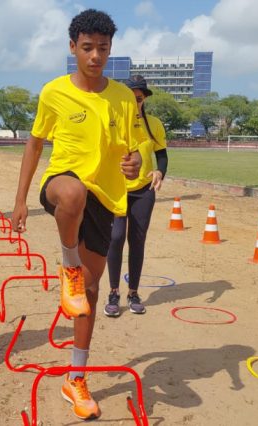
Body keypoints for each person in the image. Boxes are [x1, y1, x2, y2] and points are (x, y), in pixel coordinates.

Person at [11, 9, 141, 421]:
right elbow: (34, 145)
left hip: (106, 199)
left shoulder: (122, 96)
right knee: (72, 191)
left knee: (87, 298)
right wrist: (19, 201)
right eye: (87, 48)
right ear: (72, 48)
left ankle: (76, 376)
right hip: (63, 184)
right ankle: (67, 265)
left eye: (103, 48)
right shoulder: (54, 92)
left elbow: (132, 147)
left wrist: (135, 163)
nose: (95, 56)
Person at [104, 75, 168, 317]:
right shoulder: (113, 123)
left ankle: (133, 292)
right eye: (129, 97)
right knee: (116, 238)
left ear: (143, 99)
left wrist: (160, 171)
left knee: (137, 241)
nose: (134, 102)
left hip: (143, 192)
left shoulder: (154, 124)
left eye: (138, 98)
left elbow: (161, 155)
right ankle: (113, 292)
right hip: (116, 191)